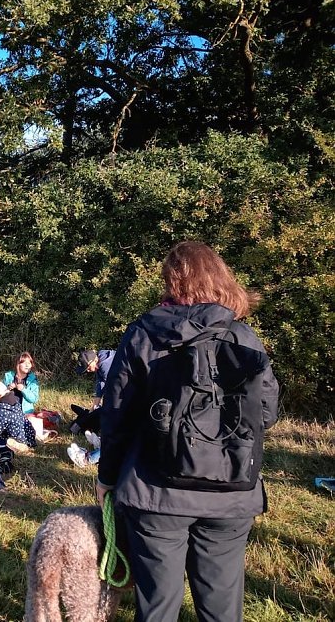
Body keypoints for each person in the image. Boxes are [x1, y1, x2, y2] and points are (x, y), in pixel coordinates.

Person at [96, 241, 280, 622]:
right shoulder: (242, 336)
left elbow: (117, 414)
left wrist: (107, 477)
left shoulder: (145, 333)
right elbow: (266, 413)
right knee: (222, 609)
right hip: (230, 492)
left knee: (159, 607)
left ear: (171, 281)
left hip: (156, 491)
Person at [0, 381, 36, 453]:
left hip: (18, 437)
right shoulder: (13, 401)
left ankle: (18, 445)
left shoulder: (3, 408)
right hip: (28, 434)